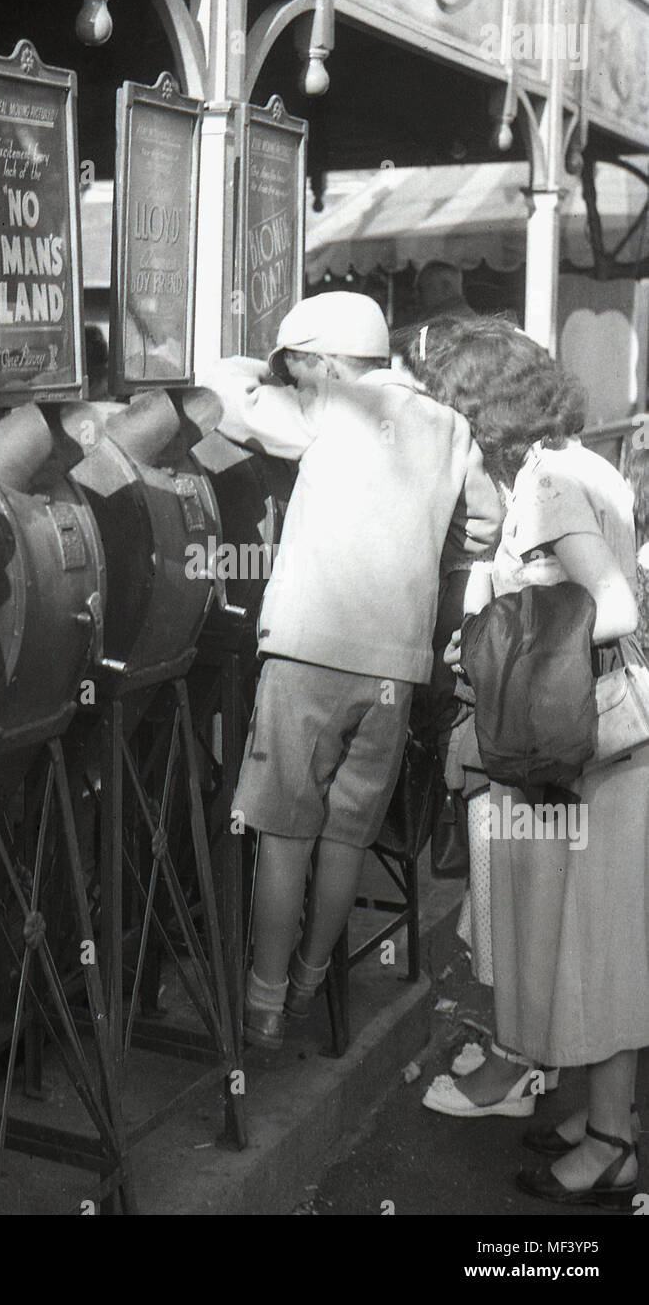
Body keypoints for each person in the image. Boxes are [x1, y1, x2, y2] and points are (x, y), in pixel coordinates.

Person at [201, 291, 501, 1048]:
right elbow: (486, 523)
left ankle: (263, 1004)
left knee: (281, 832)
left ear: (327, 361)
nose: (293, 382)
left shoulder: (329, 409)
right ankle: (308, 986)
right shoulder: (450, 424)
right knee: (344, 839)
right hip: (393, 668)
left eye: (298, 367)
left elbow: (224, 395)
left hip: (308, 654)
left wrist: (259, 367)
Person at [415, 315, 647, 1208]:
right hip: (604, 740)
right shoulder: (582, 461)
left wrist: (488, 642)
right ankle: (596, 1115)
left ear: (479, 414)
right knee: (598, 943)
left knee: (592, 951)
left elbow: (613, 605)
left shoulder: (545, 483)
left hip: (580, 747)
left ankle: (609, 1145)